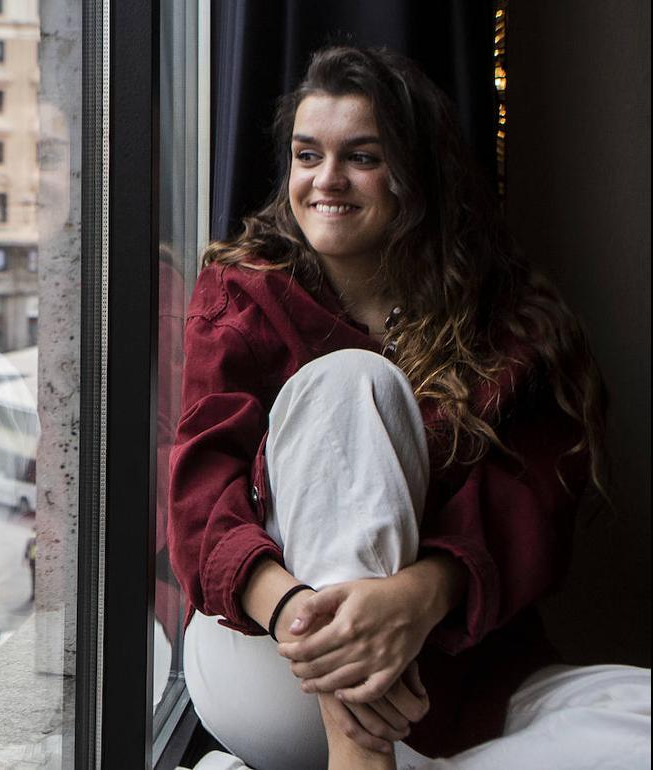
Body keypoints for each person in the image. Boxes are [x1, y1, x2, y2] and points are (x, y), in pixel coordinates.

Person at [168, 46, 649, 770]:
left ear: (415, 175)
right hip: (274, 658)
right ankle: (357, 751)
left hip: (441, 684)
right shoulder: (245, 294)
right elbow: (200, 500)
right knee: (351, 383)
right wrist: (305, 618)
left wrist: (414, 601)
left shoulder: (513, 321)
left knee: (638, 719)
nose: (326, 180)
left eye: (360, 156)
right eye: (307, 155)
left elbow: (532, 512)